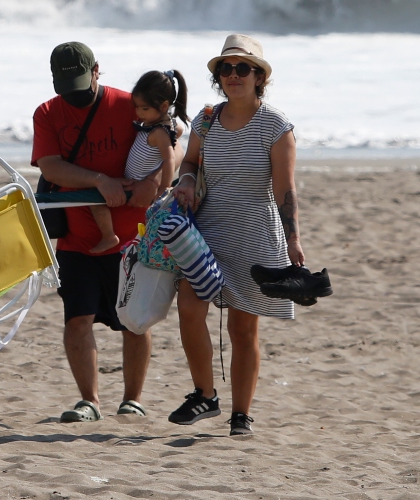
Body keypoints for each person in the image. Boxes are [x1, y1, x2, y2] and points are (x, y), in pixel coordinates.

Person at [169, 34, 303, 436]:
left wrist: (293, 239)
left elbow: (285, 190)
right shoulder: (206, 119)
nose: (233, 75)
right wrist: (187, 181)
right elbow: (189, 161)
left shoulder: (275, 126)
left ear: (259, 76)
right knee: (190, 307)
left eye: (243, 68)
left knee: (243, 329)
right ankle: (205, 394)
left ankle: (240, 414)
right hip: (206, 235)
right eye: (226, 68)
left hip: (254, 236)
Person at [31, 42, 164, 422]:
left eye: (81, 85)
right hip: (76, 238)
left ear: (97, 71)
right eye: (67, 88)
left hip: (133, 237)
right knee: (77, 319)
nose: (76, 96)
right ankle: (90, 400)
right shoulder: (47, 112)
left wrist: (153, 182)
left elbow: (167, 144)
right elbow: (51, 167)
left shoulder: (129, 106)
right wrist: (99, 180)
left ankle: (132, 399)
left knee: (135, 321)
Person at [87, 70, 189, 253]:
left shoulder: (159, 132)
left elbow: (169, 159)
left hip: (135, 183)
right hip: (133, 179)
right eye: (136, 107)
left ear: (164, 106)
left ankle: (109, 236)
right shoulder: (162, 125)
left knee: (94, 198)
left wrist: (163, 189)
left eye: (144, 108)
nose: (138, 113)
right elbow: (178, 129)